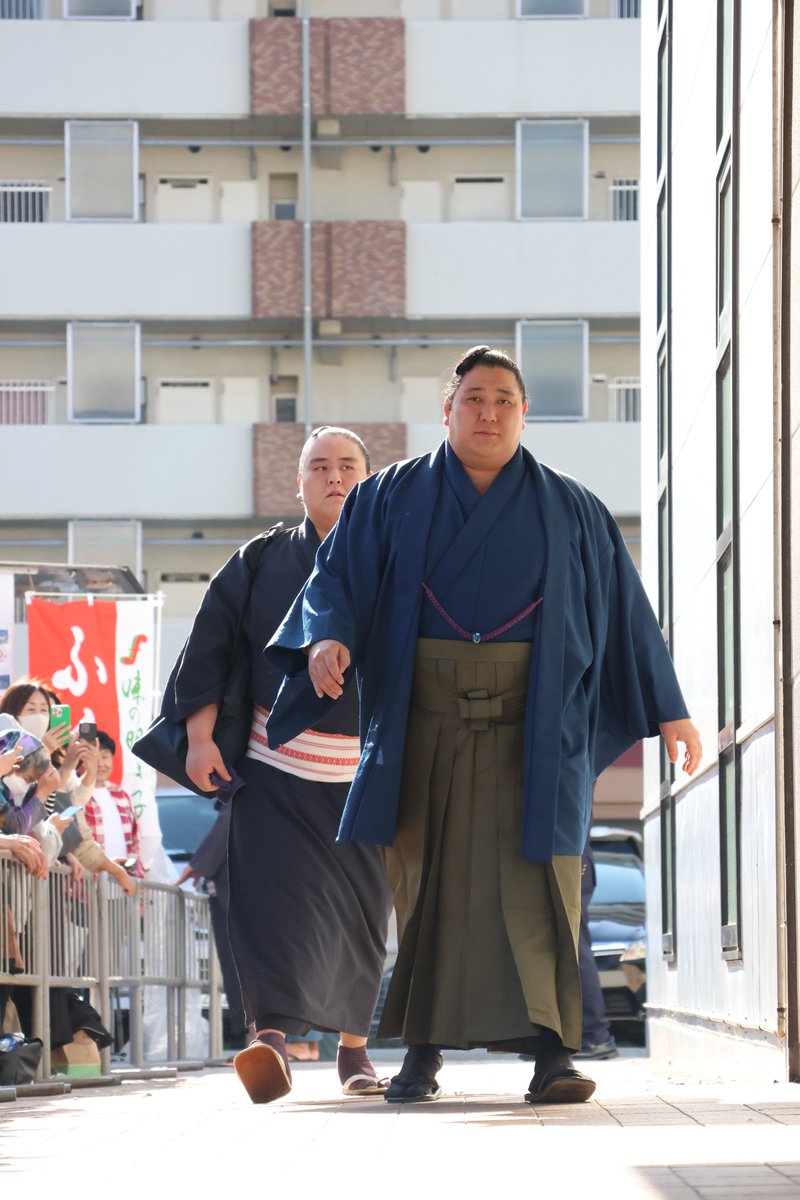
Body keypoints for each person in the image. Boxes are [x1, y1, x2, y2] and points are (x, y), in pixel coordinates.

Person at [265, 345, 702, 1106]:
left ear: (524, 413)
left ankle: (554, 1056)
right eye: (474, 398)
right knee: (425, 886)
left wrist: (671, 709)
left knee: (544, 886)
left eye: (504, 399)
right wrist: (328, 639)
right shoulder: (387, 497)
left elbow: (628, 612)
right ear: (447, 410)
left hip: (538, 723)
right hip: (422, 715)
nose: (489, 412)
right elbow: (332, 578)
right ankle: (422, 1054)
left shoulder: (573, 507)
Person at [158, 426, 392, 1105]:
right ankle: (271, 1042)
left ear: (367, 479)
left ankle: (355, 1050)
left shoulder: (394, 556)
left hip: (360, 771)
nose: (333, 476)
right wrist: (199, 739)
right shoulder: (259, 559)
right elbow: (209, 652)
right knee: (267, 908)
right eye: (318, 466)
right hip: (271, 765)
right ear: (298, 483)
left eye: (347, 465)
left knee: (362, 910)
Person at [82, 731, 144, 880]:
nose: (101, 764)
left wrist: (137, 877)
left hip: (122, 887)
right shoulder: (76, 794)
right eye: (95, 758)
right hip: (88, 887)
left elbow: (134, 841)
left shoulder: (121, 795)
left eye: (105, 756)